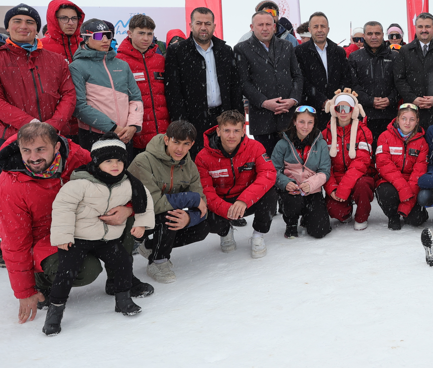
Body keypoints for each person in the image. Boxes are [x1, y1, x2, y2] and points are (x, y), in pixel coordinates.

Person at [0, 122, 147, 324]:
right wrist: (25, 291)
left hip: (83, 225)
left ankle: (120, 278)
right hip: (46, 241)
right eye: (27, 151)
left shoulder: (76, 156)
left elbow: (118, 179)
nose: (33, 158)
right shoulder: (11, 185)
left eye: (41, 149)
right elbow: (15, 241)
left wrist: (128, 208)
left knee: (127, 222)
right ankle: (41, 281)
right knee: (87, 270)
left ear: (56, 147)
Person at [43, 134, 155, 334]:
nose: (115, 165)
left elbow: (145, 202)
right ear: (96, 163)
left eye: (119, 160)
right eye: (108, 161)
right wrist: (63, 236)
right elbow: (63, 208)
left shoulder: (129, 183)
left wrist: (142, 224)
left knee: (122, 262)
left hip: (107, 238)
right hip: (78, 239)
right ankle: (55, 312)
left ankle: (123, 299)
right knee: (67, 271)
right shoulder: (81, 183)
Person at [128, 120, 209, 284]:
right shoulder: (143, 161)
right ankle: (158, 262)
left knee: (202, 226)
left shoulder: (189, 166)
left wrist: (189, 218)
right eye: (176, 142)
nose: (180, 149)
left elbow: (202, 203)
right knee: (168, 215)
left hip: (160, 216)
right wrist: (191, 199)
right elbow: (154, 204)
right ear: (166, 140)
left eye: (186, 144)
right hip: (135, 217)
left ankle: (150, 246)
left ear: (192, 144)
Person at [195, 110, 278, 258]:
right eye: (227, 130)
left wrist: (244, 200)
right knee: (205, 213)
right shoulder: (203, 157)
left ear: (243, 131)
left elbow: (268, 174)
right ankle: (225, 231)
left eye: (236, 131)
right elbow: (205, 190)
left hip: (246, 199)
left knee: (270, 192)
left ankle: (258, 234)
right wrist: (226, 209)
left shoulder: (255, 147)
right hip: (222, 202)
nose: (231, 136)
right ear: (218, 131)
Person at [165, 7, 244, 157]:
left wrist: (238, 118)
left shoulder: (226, 50)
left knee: (224, 160)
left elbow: (235, 87)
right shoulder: (177, 51)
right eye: (199, 23)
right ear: (190, 25)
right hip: (192, 118)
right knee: (196, 160)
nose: (203, 27)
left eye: (207, 24)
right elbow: (173, 91)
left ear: (214, 26)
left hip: (223, 117)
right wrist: (180, 121)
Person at [0, 4, 77, 143]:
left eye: (30, 22)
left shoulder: (57, 60)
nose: (23, 26)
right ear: (7, 27)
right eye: (17, 21)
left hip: (52, 136)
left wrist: (53, 125)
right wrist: (30, 123)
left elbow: (69, 94)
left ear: (36, 29)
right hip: (11, 137)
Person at [68, 19, 143, 153]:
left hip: (125, 134)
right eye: (98, 36)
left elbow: (135, 98)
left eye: (108, 35)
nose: (105, 40)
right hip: (94, 135)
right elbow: (79, 106)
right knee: (97, 173)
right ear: (85, 39)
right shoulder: (77, 67)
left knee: (124, 172)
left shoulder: (122, 65)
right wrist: (113, 128)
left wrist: (132, 126)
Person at [236, 10, 304, 157]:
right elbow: (244, 82)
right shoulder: (242, 49)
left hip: (288, 118)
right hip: (262, 119)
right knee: (268, 166)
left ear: (274, 26)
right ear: (252, 27)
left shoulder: (287, 46)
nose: (265, 28)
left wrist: (293, 100)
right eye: (260, 24)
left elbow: (297, 76)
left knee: (292, 163)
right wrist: (264, 102)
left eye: (268, 24)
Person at [270, 105, 332, 240]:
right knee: (292, 201)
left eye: (310, 122)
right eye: (301, 122)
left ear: (314, 123)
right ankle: (291, 223)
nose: (305, 126)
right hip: (291, 190)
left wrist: (310, 184)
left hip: (312, 190)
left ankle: (306, 216)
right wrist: (286, 183)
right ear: (294, 122)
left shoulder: (320, 144)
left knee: (320, 231)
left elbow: (324, 171)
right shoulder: (282, 144)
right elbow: (273, 170)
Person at [322, 90, 375, 230]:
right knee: (334, 210)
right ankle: (345, 213)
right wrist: (332, 188)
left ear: (354, 110)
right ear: (334, 109)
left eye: (347, 108)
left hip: (359, 177)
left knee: (363, 185)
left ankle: (361, 217)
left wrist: (344, 188)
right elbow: (324, 165)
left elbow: (361, 163)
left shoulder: (364, 131)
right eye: (339, 108)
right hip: (337, 178)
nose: (343, 112)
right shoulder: (325, 134)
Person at [116, 13, 169, 153]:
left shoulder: (160, 60)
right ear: (129, 33)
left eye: (149, 34)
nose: (146, 38)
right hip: (135, 135)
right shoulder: (118, 61)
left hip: (163, 134)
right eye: (141, 33)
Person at [393, 12, 433, 128]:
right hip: (412, 111)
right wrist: (413, 98)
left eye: (427, 26)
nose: (424, 30)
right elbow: (399, 79)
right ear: (416, 28)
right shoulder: (405, 51)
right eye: (420, 27)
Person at [374, 103, 430, 230]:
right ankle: (393, 216)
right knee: (385, 192)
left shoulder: (422, 142)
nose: (407, 123)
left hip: (412, 184)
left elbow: (419, 172)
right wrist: (402, 188)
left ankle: (410, 211)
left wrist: (407, 203)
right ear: (397, 119)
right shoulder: (385, 137)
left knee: (416, 220)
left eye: (412, 119)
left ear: (417, 121)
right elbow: (384, 165)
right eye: (404, 118)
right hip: (390, 181)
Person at [295, 11, 354, 126]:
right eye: (315, 27)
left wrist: (334, 100)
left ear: (328, 29)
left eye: (323, 26)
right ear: (310, 30)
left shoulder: (338, 51)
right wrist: (322, 101)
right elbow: (301, 80)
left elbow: (346, 78)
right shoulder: (299, 52)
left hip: (336, 110)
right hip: (310, 111)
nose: (320, 30)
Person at [40, 0, 86, 138]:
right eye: (64, 18)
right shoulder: (41, 47)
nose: (70, 23)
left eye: (74, 18)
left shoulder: (85, 45)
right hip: (55, 121)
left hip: (85, 120)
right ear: (54, 20)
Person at [349, 21, 398, 143]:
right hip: (364, 116)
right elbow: (353, 85)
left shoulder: (394, 57)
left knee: (387, 154)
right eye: (370, 33)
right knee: (365, 155)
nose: (374, 37)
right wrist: (370, 101)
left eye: (377, 33)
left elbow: (400, 83)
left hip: (390, 116)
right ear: (364, 35)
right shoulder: (355, 57)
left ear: (383, 35)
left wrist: (390, 99)